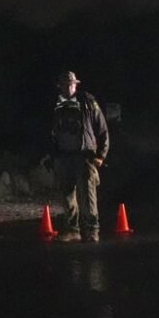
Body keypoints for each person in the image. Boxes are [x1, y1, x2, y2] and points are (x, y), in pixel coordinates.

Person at [51, 71, 109, 242]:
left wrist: (101, 155)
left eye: (70, 84)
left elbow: (102, 129)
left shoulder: (88, 102)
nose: (67, 87)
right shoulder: (56, 105)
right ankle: (72, 230)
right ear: (60, 86)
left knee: (87, 196)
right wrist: (52, 155)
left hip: (84, 157)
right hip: (63, 157)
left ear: (75, 85)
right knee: (67, 196)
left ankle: (92, 230)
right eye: (64, 84)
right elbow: (50, 131)